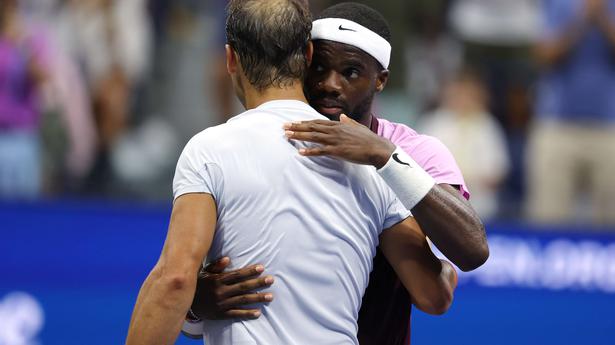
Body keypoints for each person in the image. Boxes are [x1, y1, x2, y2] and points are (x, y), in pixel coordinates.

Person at [126, 1, 457, 344]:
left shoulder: (210, 150)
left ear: (230, 59)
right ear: (308, 54)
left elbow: (176, 281)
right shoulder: (372, 164)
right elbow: (434, 294)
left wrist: (193, 300)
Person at [527, 0, 615, 225]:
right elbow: (543, 55)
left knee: (610, 222)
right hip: (557, 126)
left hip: (608, 126)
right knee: (548, 220)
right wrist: (582, 19)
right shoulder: (554, 2)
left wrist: (602, 17)